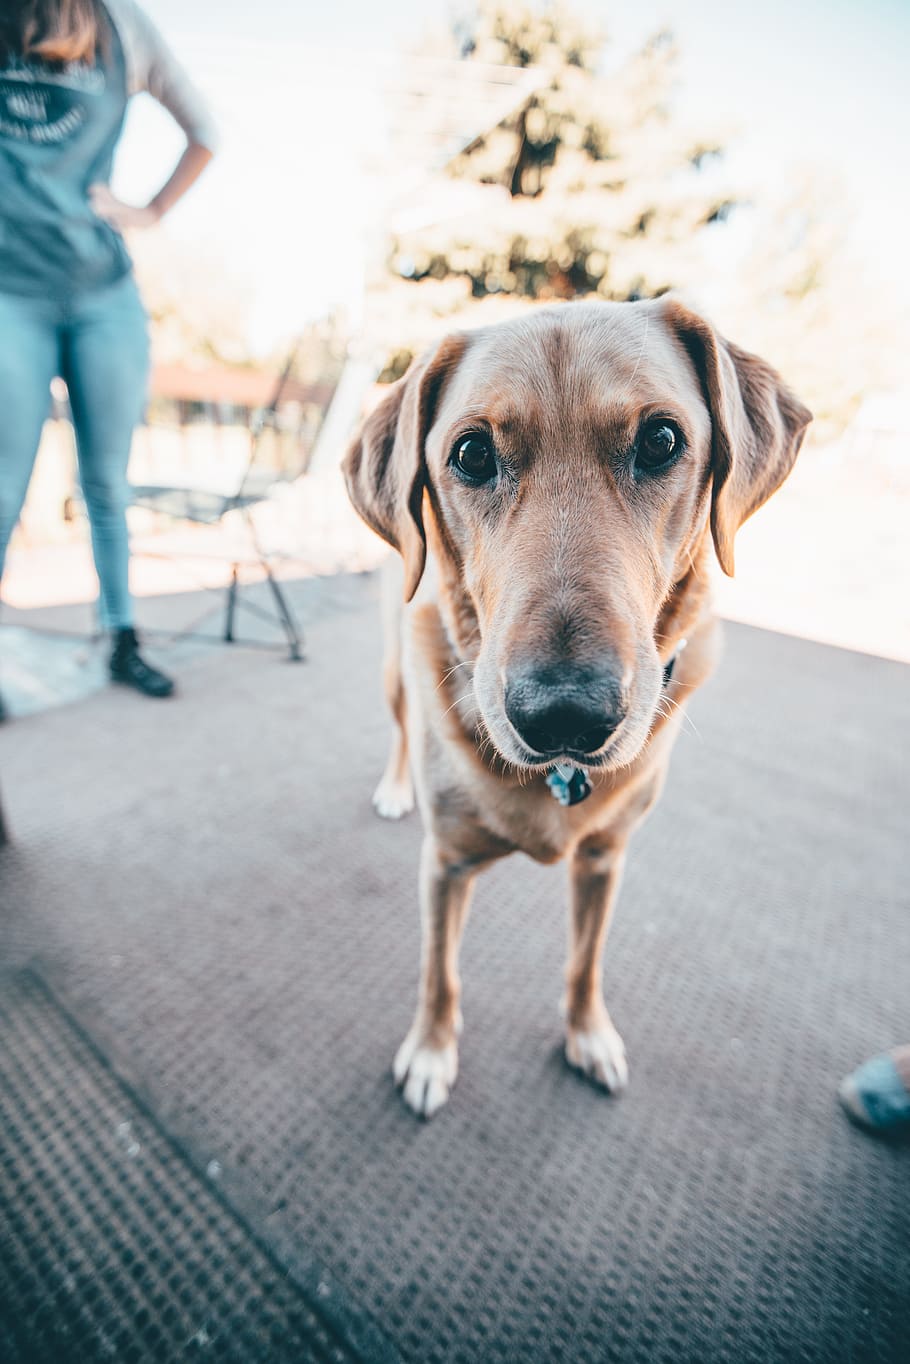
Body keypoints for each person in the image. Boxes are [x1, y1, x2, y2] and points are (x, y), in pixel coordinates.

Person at [0, 0, 218, 715]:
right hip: (10, 292)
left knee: (106, 485)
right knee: (4, 487)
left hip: (103, 296)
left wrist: (149, 211)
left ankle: (122, 636)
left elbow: (204, 132)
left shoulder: (121, 25)